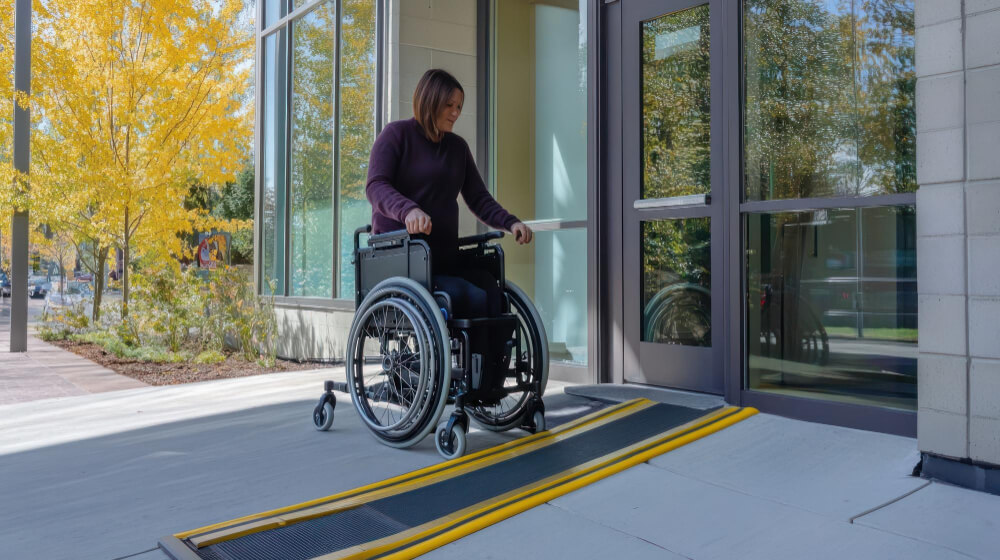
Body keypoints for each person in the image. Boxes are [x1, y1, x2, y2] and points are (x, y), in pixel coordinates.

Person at [366, 68, 533, 382]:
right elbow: (375, 186)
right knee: (470, 296)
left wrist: (511, 223)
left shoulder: (457, 148)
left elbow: (478, 198)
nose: (456, 112)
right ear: (430, 101)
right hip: (405, 259)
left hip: (444, 258)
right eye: (450, 105)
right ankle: (475, 381)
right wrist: (408, 211)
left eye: (459, 106)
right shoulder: (396, 135)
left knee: (492, 291)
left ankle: (489, 383)